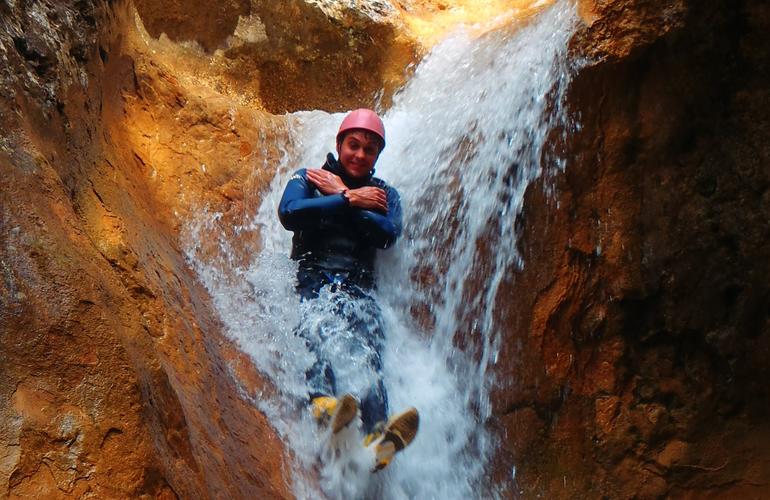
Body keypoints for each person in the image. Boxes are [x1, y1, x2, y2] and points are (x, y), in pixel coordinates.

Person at [278, 109, 418, 471]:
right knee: (313, 329)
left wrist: (345, 196)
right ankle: (323, 404)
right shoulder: (310, 178)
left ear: (377, 156)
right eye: (353, 145)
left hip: (359, 291)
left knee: (370, 348)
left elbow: (386, 236)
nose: (359, 154)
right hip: (314, 282)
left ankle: (376, 434)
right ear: (339, 144)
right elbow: (290, 212)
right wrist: (347, 198)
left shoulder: (385, 195)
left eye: (369, 150)